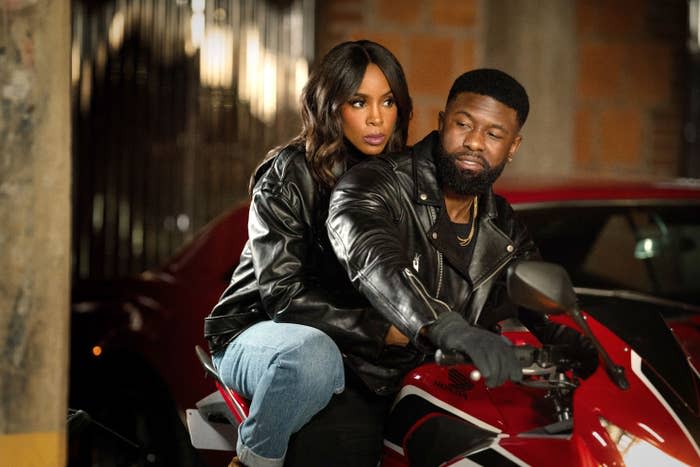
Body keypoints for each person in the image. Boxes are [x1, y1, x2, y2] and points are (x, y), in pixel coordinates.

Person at [327, 68, 598, 403]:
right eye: (463, 124)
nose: (474, 142)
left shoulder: (503, 225)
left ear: (513, 147)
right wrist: (447, 327)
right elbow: (376, 262)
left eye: (494, 135)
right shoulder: (373, 185)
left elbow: (550, 314)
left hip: (450, 389)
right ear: (442, 122)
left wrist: (602, 350)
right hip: (365, 382)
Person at [203, 40, 413, 467]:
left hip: (350, 344)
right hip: (258, 331)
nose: (377, 118)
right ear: (331, 105)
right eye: (359, 102)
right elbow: (282, 295)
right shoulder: (289, 173)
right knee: (314, 355)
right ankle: (252, 460)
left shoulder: (401, 179)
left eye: (388, 101)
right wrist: (377, 330)